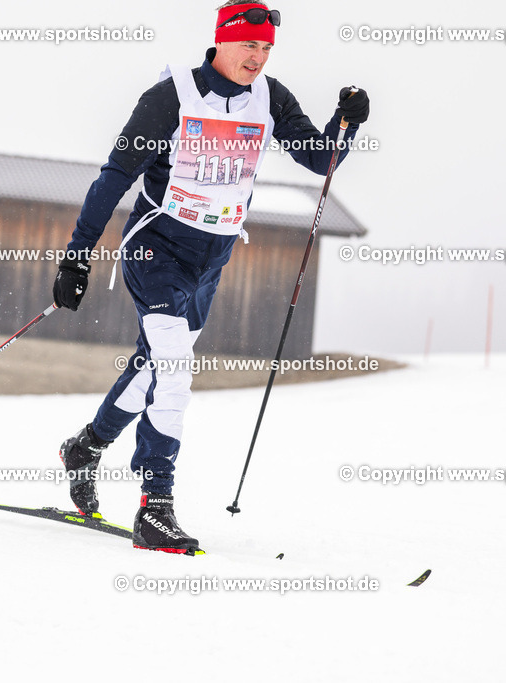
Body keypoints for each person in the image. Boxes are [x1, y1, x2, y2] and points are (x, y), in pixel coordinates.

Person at [53, 2, 369, 554]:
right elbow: (115, 176)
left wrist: (347, 124)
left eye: (267, 48)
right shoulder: (170, 97)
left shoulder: (271, 97)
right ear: (221, 40)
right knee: (174, 372)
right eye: (250, 45)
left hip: (211, 258)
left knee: (154, 368)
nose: (258, 57)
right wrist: (77, 256)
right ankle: (156, 506)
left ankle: (86, 445)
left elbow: (321, 160)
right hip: (156, 249)